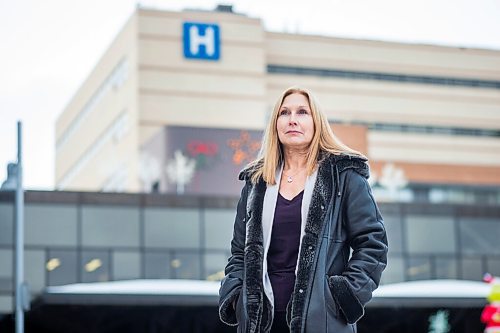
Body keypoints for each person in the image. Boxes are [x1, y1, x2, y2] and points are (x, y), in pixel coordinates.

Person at [218, 86, 388, 332]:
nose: (292, 120)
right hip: (261, 324)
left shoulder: (344, 177)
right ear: (275, 123)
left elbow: (373, 244)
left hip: (323, 320)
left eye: (302, 112)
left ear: (316, 121)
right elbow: (239, 252)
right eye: (284, 113)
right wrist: (236, 296)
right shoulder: (256, 182)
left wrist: (344, 295)